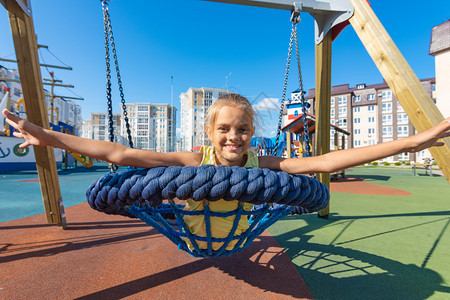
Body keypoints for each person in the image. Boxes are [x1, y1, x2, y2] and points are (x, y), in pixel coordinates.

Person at [2, 93, 450, 250]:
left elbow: (325, 162)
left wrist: (413, 141)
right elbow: (121, 154)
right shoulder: (195, 161)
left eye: (243, 130)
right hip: (193, 232)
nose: (233, 138)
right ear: (209, 132)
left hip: (238, 233)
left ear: (253, 132)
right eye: (224, 129)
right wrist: (49, 136)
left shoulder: (262, 164)